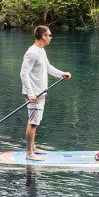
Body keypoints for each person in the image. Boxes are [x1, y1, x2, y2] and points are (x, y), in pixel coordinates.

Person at [21, 25, 71, 160]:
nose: (50, 37)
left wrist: (62, 74)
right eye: (49, 35)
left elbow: (48, 68)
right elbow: (23, 73)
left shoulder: (41, 51)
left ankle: (33, 148)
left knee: (35, 121)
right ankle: (29, 153)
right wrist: (30, 93)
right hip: (34, 95)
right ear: (43, 36)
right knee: (33, 122)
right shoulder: (32, 52)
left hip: (40, 93)